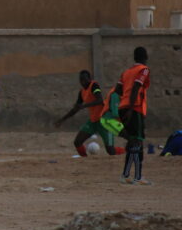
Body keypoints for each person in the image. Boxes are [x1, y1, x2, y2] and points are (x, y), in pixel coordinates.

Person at [55, 70, 119, 156]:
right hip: (93, 121)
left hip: (104, 120)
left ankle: (127, 150)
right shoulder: (81, 92)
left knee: (110, 150)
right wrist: (62, 120)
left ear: (89, 79)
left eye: (84, 79)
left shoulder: (94, 86)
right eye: (81, 80)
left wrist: (84, 106)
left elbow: (99, 100)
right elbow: (76, 109)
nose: (83, 82)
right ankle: (85, 160)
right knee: (77, 142)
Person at [115, 46, 151, 185]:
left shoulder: (126, 72)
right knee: (137, 142)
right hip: (134, 109)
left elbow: (118, 89)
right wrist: (131, 108)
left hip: (123, 107)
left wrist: (125, 101)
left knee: (132, 141)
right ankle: (137, 176)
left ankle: (127, 174)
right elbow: (136, 87)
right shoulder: (144, 70)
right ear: (145, 57)